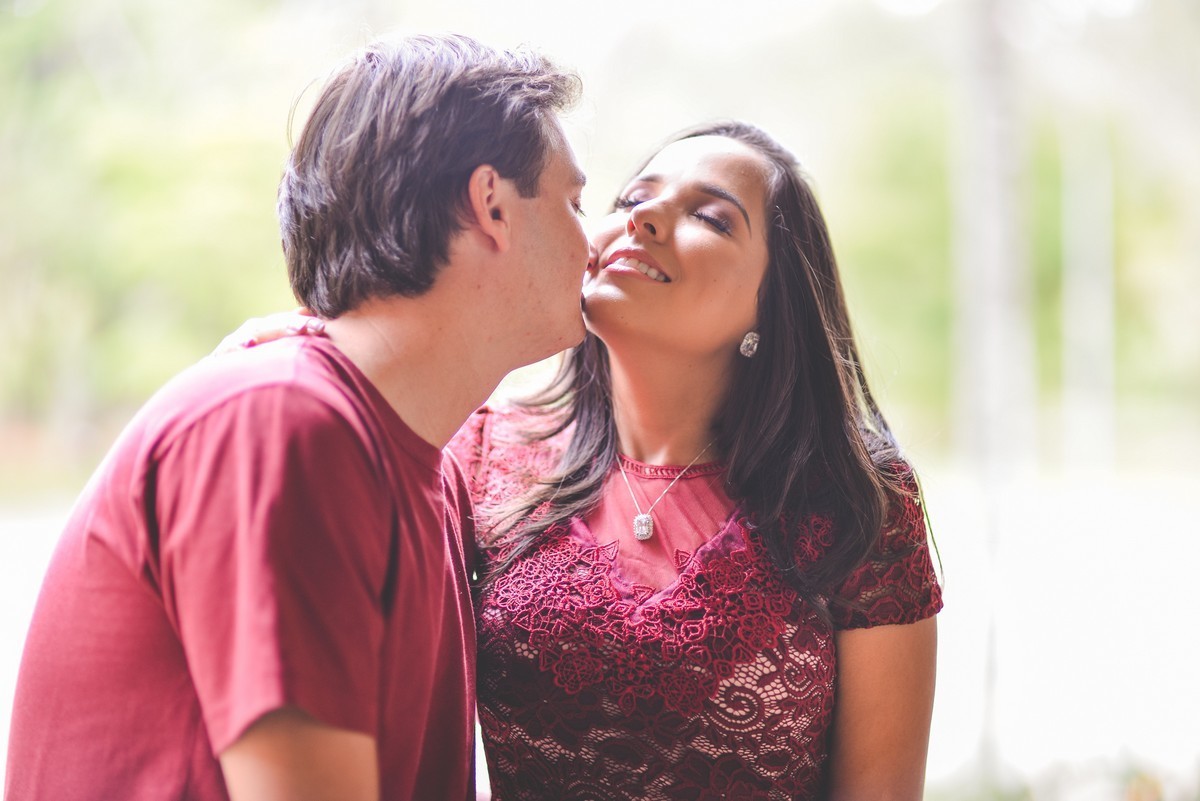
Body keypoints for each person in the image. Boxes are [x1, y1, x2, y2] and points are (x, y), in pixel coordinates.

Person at [220, 121, 942, 800]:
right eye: (632, 199)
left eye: (711, 217)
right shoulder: (476, 457)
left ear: (770, 301)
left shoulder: (858, 503)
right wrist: (316, 349)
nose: (644, 220)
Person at [5, 34, 587, 801]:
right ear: (492, 206)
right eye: (576, 202)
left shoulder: (428, 472)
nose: (596, 241)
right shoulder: (276, 422)